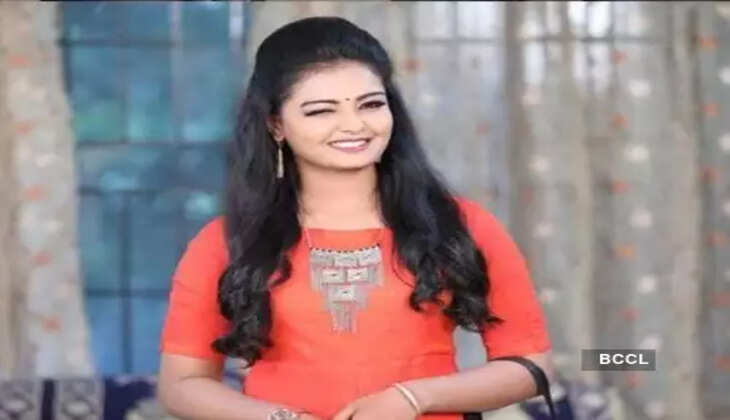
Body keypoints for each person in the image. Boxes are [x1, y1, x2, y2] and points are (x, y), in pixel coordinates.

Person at [157, 16, 553, 420]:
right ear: (276, 125)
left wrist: (414, 398)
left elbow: (530, 366)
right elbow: (181, 385)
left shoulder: (458, 224)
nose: (354, 125)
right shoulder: (230, 241)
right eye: (320, 111)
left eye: (371, 104)